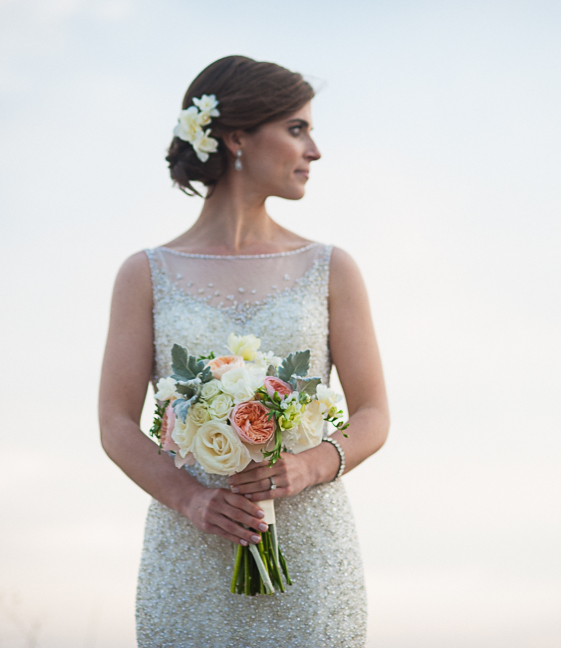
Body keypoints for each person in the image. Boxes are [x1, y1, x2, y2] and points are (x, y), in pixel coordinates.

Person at [97, 55, 388, 646]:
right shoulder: (145, 273)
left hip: (310, 552)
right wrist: (192, 499)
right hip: (190, 550)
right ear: (237, 137)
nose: (315, 150)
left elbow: (374, 414)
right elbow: (116, 422)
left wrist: (308, 465)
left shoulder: (331, 268)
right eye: (297, 128)